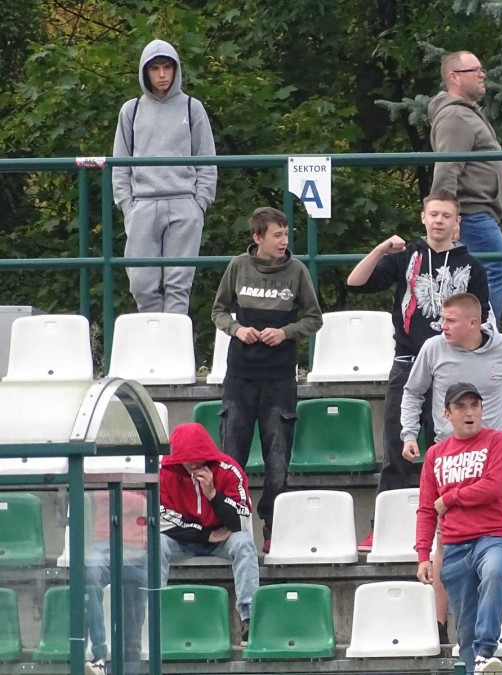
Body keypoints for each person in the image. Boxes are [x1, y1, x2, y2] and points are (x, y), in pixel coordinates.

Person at [347, 190, 490, 551]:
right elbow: (355, 282)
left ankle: (452, 527)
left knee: (450, 451)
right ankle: (383, 527)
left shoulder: (473, 266)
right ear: (423, 217)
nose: (439, 220)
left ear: (457, 222)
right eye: (434, 214)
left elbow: (483, 319)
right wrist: (382, 248)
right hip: (408, 364)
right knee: (397, 449)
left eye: (447, 215)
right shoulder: (406, 256)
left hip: (452, 368)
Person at [399, 292, 502, 642]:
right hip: (449, 458)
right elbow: (413, 392)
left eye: (450, 320)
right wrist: (409, 433)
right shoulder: (432, 349)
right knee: (444, 542)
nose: (442, 326)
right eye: (443, 319)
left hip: (494, 458)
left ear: (473, 323)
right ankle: (440, 627)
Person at [212, 207, 323, 551]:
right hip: (240, 376)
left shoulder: (297, 271)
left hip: (279, 378)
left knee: (277, 459)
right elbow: (218, 311)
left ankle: (272, 525)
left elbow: (314, 318)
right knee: (232, 456)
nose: (284, 240)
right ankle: (228, 522)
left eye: (286, 234)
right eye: (277, 235)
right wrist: (237, 329)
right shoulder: (237, 267)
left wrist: (286, 332)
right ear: (257, 237)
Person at [112, 39, 217, 314]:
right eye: (155, 68)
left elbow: (207, 159)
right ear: (144, 72)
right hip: (142, 205)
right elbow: (120, 163)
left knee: (178, 286)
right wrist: (127, 205)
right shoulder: (131, 109)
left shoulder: (192, 107)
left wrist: (199, 203)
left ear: (176, 69)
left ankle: (175, 340)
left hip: (184, 203)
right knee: (140, 284)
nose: (161, 75)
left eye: (167, 67)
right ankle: (153, 337)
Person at [415, 382, 502, 674]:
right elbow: (426, 508)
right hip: (455, 547)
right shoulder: (435, 454)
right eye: (460, 406)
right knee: (465, 633)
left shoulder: (499, 441)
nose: (469, 412)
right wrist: (422, 555)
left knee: (494, 573)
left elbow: (493, 487)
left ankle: (486, 650)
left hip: (492, 538)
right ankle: (477, 663)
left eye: (474, 405)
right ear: (447, 414)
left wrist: (450, 498)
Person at [428, 51, 502, 320]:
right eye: (474, 70)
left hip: (475, 212)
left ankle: (471, 330)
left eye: (481, 69)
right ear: (454, 78)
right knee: (500, 267)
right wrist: (448, 216)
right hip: (471, 212)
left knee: (474, 274)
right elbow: (447, 168)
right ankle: (482, 330)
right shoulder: (456, 116)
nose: (482, 74)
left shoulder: (465, 113)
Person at [159, 423, 261, 643]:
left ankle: (250, 618)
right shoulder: (165, 472)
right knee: (156, 544)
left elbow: (240, 520)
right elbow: (162, 521)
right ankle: (153, 617)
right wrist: (204, 534)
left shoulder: (229, 470)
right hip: (185, 540)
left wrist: (214, 495)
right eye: (187, 459)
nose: (193, 464)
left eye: (198, 458)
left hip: (223, 538)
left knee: (243, 543)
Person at [84, 491, 150, 675]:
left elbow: (149, 502)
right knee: (91, 576)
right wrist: (136, 502)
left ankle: (131, 670)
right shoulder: (103, 470)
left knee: (133, 615)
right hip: (103, 543)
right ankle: (99, 656)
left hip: (137, 548)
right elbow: (99, 495)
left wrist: (123, 499)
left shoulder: (144, 471)